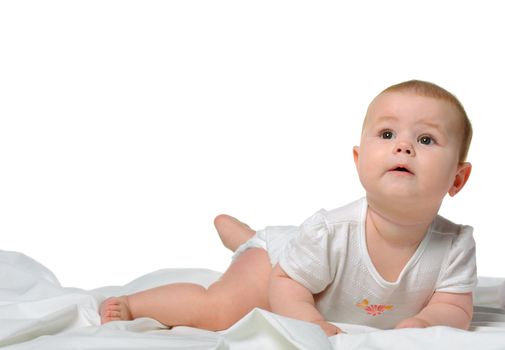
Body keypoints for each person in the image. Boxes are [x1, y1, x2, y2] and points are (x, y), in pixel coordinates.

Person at [100, 80, 477, 336]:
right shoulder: (332, 231)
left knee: (264, 245)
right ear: (359, 160)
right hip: (280, 265)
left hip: (303, 256)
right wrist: (311, 322)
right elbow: (286, 283)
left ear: (457, 180)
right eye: (387, 134)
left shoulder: (455, 246)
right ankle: (137, 303)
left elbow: (455, 309)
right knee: (218, 308)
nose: (404, 146)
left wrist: (425, 322)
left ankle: (243, 236)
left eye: (426, 138)